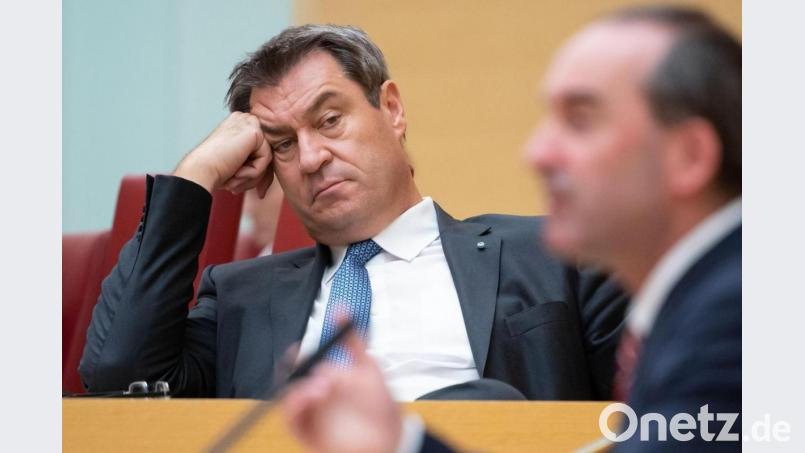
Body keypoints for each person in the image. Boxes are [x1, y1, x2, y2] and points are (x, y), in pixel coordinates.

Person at [78, 24, 627, 402]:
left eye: (330, 120)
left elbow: (665, 413)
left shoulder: (556, 252)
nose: (312, 157)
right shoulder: (241, 297)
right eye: (283, 144)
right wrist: (197, 172)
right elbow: (118, 377)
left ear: (391, 109)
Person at [281, 5, 740, 452]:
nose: (537, 153)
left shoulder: (733, 320)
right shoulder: (695, 306)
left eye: (580, 119)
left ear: (690, 156)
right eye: (281, 142)